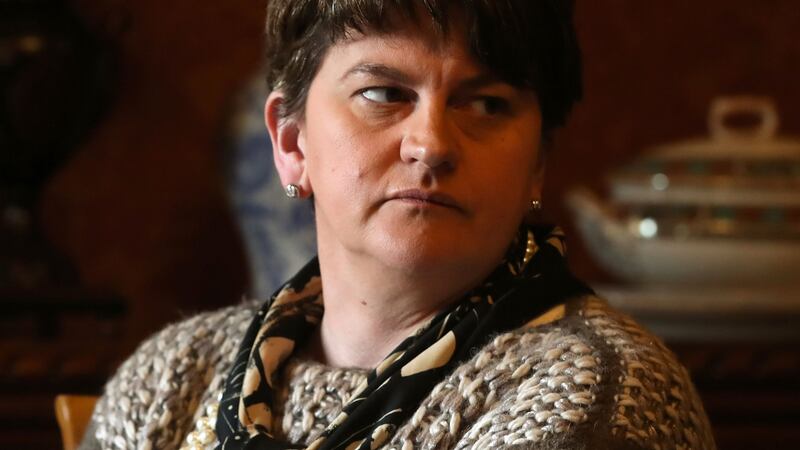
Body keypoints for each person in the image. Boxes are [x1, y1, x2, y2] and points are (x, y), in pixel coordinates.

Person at [80, 1, 716, 449]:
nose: (432, 143)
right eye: (384, 93)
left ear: (538, 164)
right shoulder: (172, 376)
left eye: (487, 103)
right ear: (291, 141)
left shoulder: (594, 391)